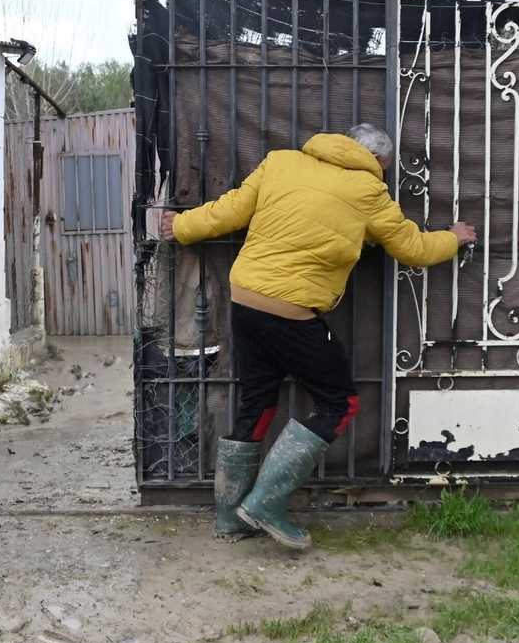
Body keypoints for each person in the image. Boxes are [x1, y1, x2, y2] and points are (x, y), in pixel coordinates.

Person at [160, 123, 475, 549]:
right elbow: (413, 249)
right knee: (340, 402)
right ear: (377, 160)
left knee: (257, 401)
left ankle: (229, 517)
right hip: (291, 311)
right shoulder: (369, 191)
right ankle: (266, 504)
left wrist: (181, 226)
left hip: (245, 300)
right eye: (384, 167)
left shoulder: (281, 162)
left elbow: (230, 210)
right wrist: (453, 239)